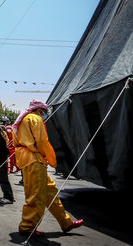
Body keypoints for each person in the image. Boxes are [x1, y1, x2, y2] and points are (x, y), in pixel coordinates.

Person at [14, 100, 83, 237]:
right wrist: (51, 159)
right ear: (40, 111)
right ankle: (27, 227)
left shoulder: (22, 119)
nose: (45, 115)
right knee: (36, 196)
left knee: (50, 191)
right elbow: (41, 141)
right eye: (44, 112)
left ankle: (66, 222)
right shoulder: (35, 119)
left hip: (28, 159)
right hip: (33, 160)